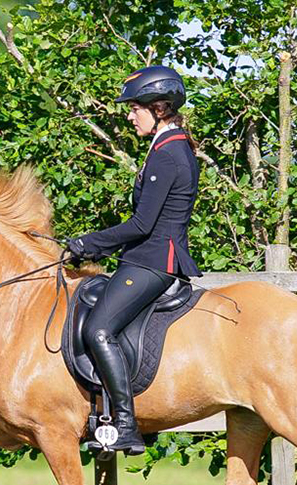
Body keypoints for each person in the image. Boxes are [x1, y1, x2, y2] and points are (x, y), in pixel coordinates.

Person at [66, 65, 202, 455]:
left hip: (154, 261)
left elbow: (143, 223)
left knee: (98, 331)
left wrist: (89, 242)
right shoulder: (166, 148)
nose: (129, 115)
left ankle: (126, 424)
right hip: (146, 257)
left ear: (159, 108)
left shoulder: (169, 153)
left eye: (134, 108)